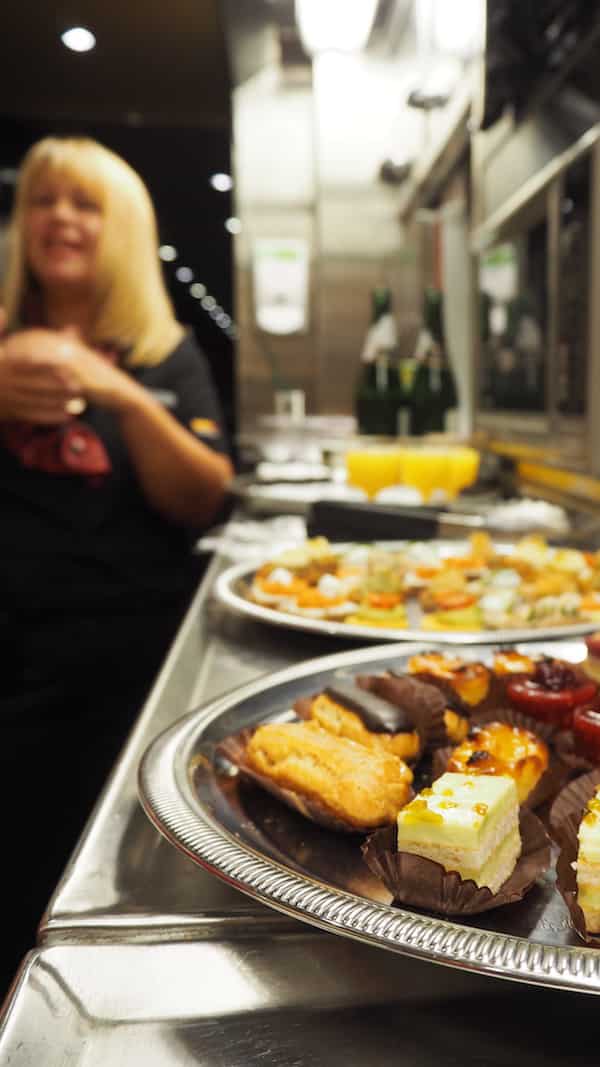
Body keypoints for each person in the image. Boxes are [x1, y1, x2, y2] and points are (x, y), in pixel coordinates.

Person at [0, 136, 234, 995]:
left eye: (84, 203)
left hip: (130, 668)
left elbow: (203, 497)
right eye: (42, 200)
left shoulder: (163, 354)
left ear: (124, 227)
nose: (58, 217)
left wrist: (124, 395)